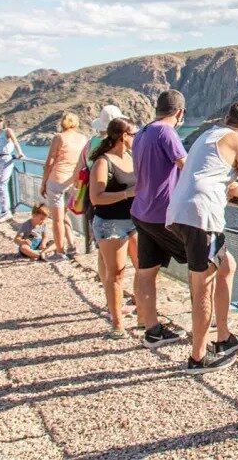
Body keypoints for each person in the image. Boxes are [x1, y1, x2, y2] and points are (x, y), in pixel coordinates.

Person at [167, 101, 238, 372]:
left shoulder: (207, 135)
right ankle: (198, 357)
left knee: (228, 267)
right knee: (204, 286)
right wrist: (234, 190)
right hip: (202, 217)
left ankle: (224, 336)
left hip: (178, 211)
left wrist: (229, 187)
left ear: (227, 118)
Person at [131, 89, 190, 349]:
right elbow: (185, 165)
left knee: (147, 272)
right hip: (162, 213)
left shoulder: (141, 133)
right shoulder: (167, 132)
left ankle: (152, 328)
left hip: (141, 211)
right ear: (179, 112)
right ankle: (209, 329)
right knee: (209, 264)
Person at [88, 117, 138, 339]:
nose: (136, 138)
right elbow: (96, 198)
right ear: (124, 136)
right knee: (116, 273)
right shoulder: (103, 162)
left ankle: (145, 317)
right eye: (133, 134)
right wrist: (127, 194)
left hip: (134, 221)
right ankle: (117, 323)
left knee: (144, 267)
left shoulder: (131, 158)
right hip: (110, 224)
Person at [39, 112, 87, 260]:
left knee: (57, 218)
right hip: (74, 182)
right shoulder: (83, 138)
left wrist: (43, 183)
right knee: (65, 214)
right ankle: (72, 245)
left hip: (57, 181)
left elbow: (49, 163)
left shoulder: (59, 137)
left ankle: (60, 252)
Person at [0, 115, 24, 223]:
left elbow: (15, 142)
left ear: (4, 122)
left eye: (0, 121)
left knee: (2, 185)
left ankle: (6, 211)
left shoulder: (7, 131)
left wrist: (20, 153)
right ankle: (3, 209)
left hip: (6, 159)